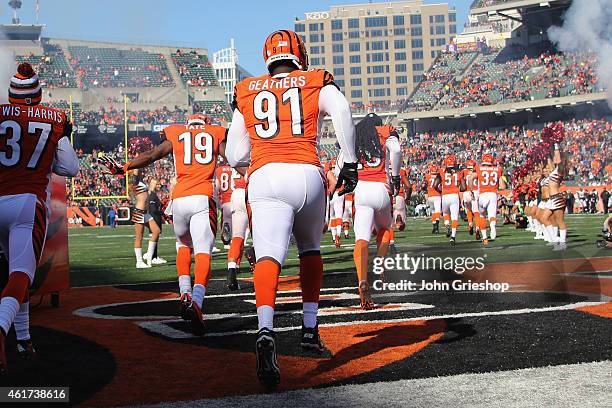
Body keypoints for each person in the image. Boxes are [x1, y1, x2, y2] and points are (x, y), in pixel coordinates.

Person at [225, 30, 357, 388]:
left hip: (265, 175)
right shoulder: (315, 80)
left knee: (268, 255)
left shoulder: (248, 89)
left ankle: (266, 330)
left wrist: (260, 158)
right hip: (308, 173)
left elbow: (233, 154)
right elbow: (342, 109)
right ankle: (310, 330)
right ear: (299, 53)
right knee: (311, 250)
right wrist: (349, 161)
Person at [100, 113, 227, 335]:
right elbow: (234, 158)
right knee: (204, 251)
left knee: (183, 246)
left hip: (179, 199)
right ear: (205, 124)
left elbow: (152, 155)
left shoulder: (177, 132)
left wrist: (124, 167)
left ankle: (184, 293)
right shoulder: (215, 132)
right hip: (202, 196)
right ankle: (196, 301)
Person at [0, 63, 79, 374]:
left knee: (15, 279)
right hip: (26, 203)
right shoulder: (54, 119)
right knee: (21, 274)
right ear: (38, 94)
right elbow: (70, 168)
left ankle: (24, 339)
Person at [348, 113, 401, 309]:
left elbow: (340, 165)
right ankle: (379, 262)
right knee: (385, 229)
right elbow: (395, 150)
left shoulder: (355, 134)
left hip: (361, 189)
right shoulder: (385, 131)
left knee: (361, 239)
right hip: (381, 188)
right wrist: (395, 177)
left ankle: (362, 280)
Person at [474, 154, 506, 245]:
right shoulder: (497, 169)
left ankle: (484, 237)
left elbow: (471, 178)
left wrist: (473, 189)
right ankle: (493, 227)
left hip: (482, 194)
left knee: (482, 215)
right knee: (492, 215)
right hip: (493, 194)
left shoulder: (479, 169)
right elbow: (503, 186)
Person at [434, 155, 466, 245]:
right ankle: (453, 237)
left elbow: (435, 185)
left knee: (446, 213)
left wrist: (440, 191)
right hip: (454, 195)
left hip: (445, 195)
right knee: (455, 217)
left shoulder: (441, 171)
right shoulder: (459, 172)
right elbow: (463, 187)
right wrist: (456, 189)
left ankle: (447, 224)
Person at [145, 183, 167, 265]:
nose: (159, 186)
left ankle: (152, 255)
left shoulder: (154, 195)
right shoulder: (152, 195)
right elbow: (153, 209)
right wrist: (162, 212)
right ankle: (153, 257)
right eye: (157, 184)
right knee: (154, 237)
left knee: (155, 237)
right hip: (154, 217)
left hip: (155, 217)